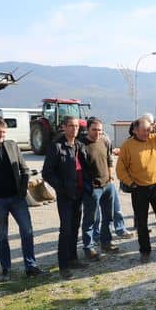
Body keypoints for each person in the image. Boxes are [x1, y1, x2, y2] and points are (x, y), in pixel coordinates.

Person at [0, 118, 47, 281]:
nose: (1, 135)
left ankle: (31, 267)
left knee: (27, 231)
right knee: (2, 236)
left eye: (4, 132)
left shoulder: (12, 146)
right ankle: (6, 269)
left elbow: (24, 170)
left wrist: (22, 191)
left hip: (17, 198)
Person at [116, 117, 156, 263]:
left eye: (148, 129)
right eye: (144, 130)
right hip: (139, 188)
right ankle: (145, 251)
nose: (147, 132)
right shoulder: (127, 145)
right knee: (142, 222)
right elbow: (121, 168)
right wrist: (130, 183)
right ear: (135, 130)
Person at [42, 116, 88, 280]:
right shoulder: (56, 146)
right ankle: (64, 266)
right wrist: (61, 188)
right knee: (66, 229)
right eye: (71, 126)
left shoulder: (78, 145)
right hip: (65, 195)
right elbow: (47, 172)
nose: (74, 129)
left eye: (76, 126)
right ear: (64, 127)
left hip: (79, 193)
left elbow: (85, 167)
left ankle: (73, 258)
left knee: (75, 228)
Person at [80, 117, 119, 259]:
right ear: (87, 129)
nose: (97, 133)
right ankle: (88, 248)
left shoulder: (105, 141)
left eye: (100, 130)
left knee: (108, 217)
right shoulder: (81, 145)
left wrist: (110, 176)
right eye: (94, 130)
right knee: (90, 219)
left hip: (107, 186)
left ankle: (106, 242)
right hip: (92, 188)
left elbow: (109, 158)